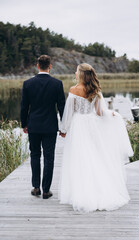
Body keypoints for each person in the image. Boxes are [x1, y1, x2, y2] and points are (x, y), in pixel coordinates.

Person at [58, 63, 133, 212]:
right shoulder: (95, 91)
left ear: (81, 74)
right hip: (91, 126)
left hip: (78, 125)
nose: (75, 72)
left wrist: (63, 129)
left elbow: (68, 113)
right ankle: (98, 190)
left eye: (76, 71)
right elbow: (100, 113)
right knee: (93, 156)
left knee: (79, 158)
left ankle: (81, 192)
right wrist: (113, 114)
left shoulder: (74, 90)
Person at [20, 55, 65, 199]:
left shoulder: (28, 84)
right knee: (49, 157)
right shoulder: (57, 84)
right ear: (50, 66)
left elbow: (24, 107)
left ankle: (36, 188)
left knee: (34, 155)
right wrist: (63, 126)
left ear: (37, 66)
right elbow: (62, 107)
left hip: (33, 125)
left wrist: (24, 124)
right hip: (50, 126)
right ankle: (46, 190)